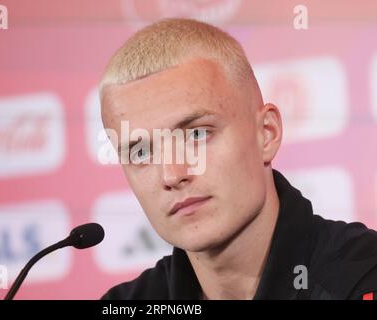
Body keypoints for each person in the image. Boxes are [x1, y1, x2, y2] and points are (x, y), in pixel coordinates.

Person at [98, 18, 377, 300]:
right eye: (141, 152)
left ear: (266, 133)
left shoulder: (363, 276)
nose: (172, 174)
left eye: (197, 135)